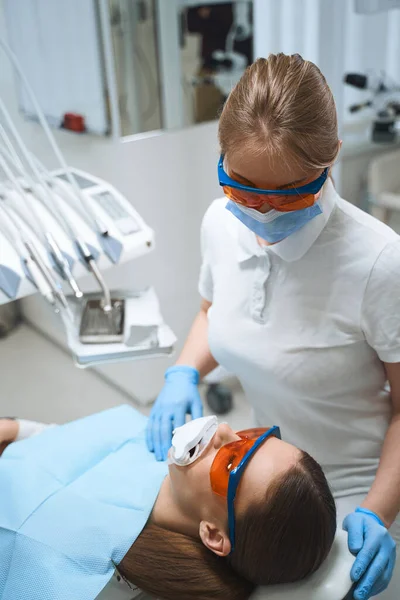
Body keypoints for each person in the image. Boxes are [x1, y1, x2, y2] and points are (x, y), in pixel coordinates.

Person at [147, 53, 400, 600]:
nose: (261, 211)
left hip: (365, 490)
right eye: (240, 186)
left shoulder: (379, 263)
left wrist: (378, 512)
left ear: (330, 159)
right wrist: (182, 373)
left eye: (285, 194)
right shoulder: (219, 222)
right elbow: (214, 311)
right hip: (261, 491)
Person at [0, 407, 336, 600]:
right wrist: (16, 429)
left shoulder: (83, 572)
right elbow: (67, 445)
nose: (225, 430)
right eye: (250, 437)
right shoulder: (150, 440)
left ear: (214, 535)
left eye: (231, 463)